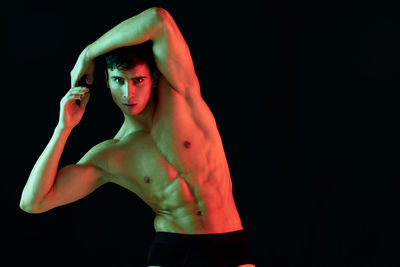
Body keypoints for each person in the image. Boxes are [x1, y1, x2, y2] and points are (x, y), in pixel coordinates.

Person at [20, 7, 255, 267]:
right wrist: (63, 128)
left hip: (228, 242)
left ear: (153, 78)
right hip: (172, 249)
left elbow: (158, 19)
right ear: (107, 82)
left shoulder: (182, 96)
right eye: (119, 81)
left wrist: (88, 53)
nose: (128, 93)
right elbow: (34, 202)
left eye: (138, 80)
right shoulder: (113, 153)